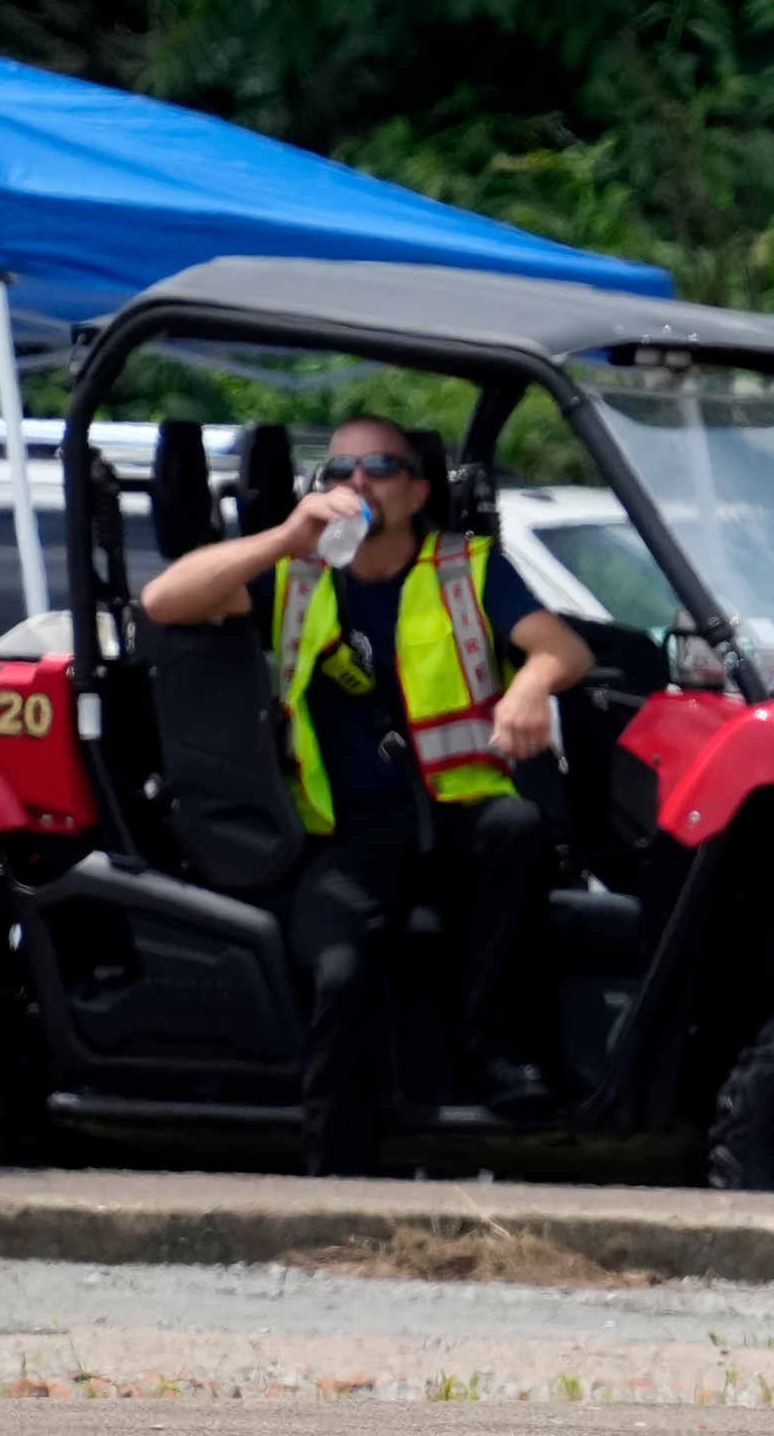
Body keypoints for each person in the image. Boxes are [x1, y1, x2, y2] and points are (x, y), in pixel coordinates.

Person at [140, 415, 596, 1177]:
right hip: (350, 837)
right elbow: (162, 601)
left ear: (417, 491)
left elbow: (565, 649)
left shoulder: (466, 566)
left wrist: (530, 687)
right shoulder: (297, 571)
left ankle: (500, 1064)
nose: (353, 483)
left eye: (376, 467)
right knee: (342, 972)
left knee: (517, 829)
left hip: (459, 816)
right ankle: (335, 1175)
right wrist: (288, 536)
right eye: (338, 471)